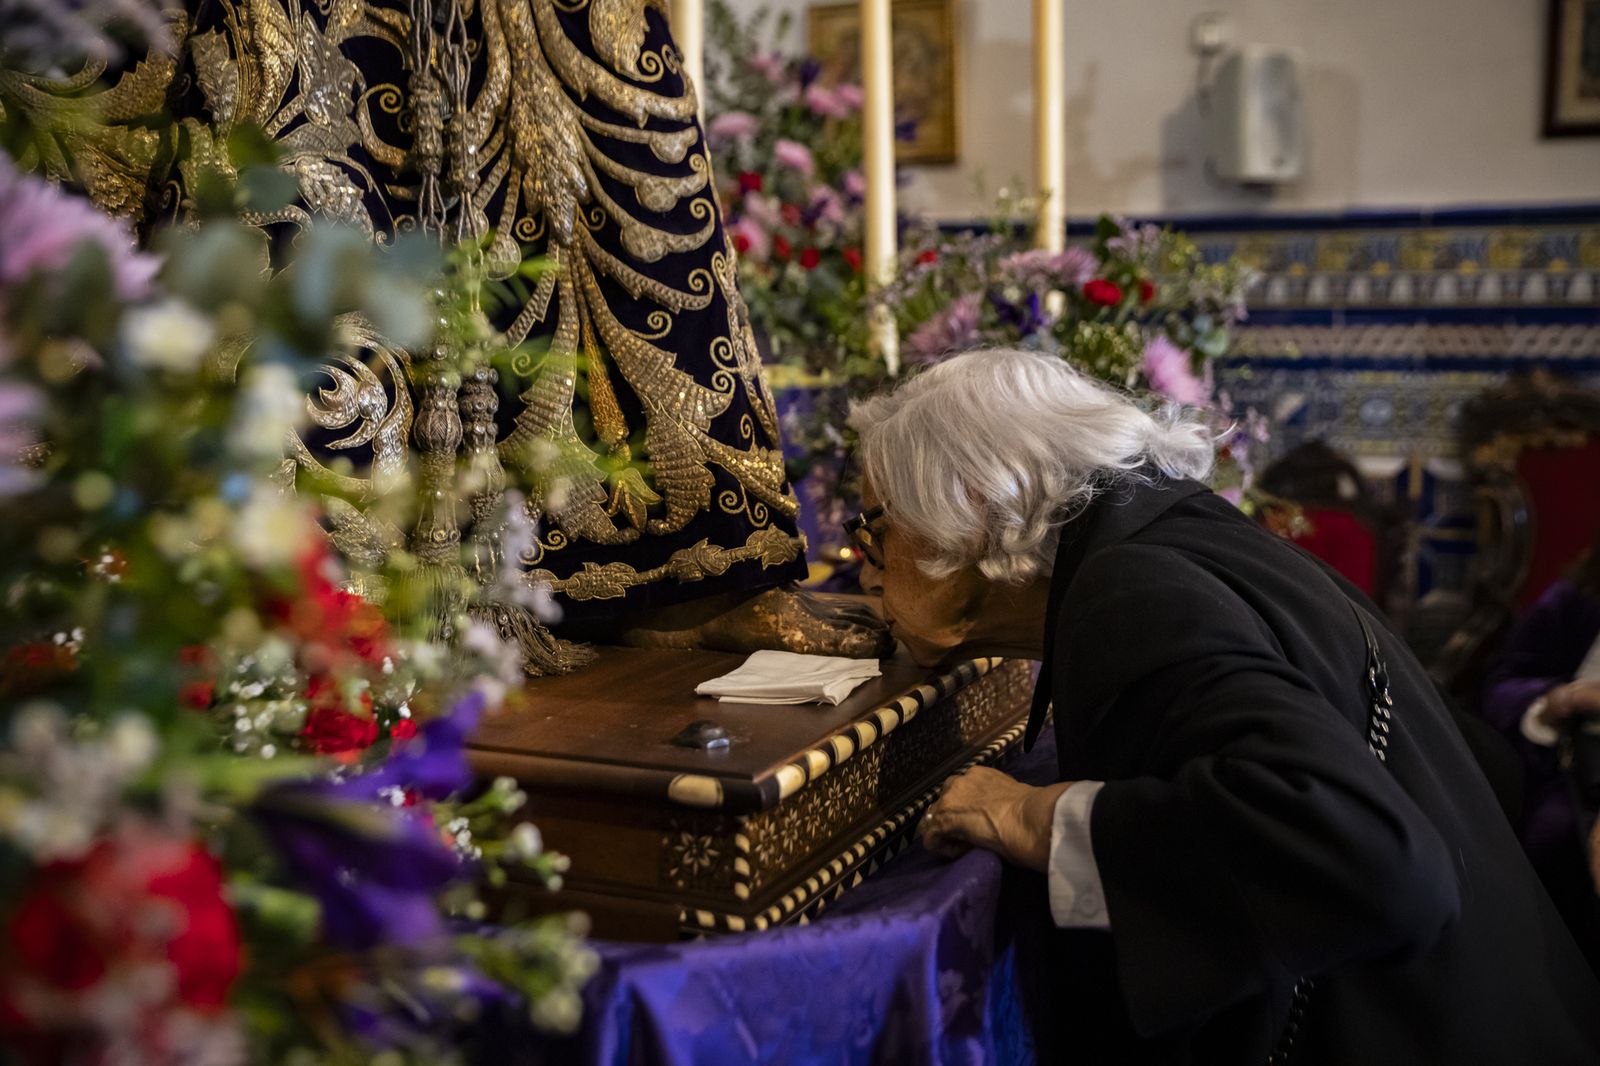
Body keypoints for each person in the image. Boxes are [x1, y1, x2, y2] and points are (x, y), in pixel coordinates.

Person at [847, 349, 1600, 1064]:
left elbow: (1370, 856)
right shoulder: (1184, 530)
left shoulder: (1130, 592)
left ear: (974, 506)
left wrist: (1031, 818)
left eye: (874, 526)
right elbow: (1481, 763)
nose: (861, 562)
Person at [1483, 543, 1600, 972]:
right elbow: (1501, 689)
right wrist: (1563, 700)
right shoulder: (1580, 597)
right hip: (1579, 776)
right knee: (1555, 836)